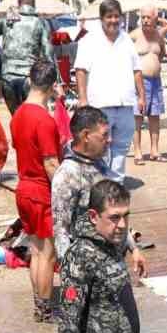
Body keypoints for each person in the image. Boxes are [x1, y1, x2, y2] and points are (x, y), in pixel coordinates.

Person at [56, 179, 149, 333]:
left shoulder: (112, 243)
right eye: (115, 218)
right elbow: (67, 328)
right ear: (93, 217)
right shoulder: (79, 256)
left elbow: (121, 307)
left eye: (126, 215)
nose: (123, 225)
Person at [51, 105, 148, 278]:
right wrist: (71, 276)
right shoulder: (67, 175)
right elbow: (61, 230)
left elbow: (117, 216)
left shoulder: (100, 164)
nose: (110, 140)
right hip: (86, 270)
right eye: (104, 135)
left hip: (113, 266)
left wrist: (134, 249)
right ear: (86, 136)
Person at [12, 61, 62, 323]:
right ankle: (44, 310)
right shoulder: (44, 120)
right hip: (41, 192)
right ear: (53, 86)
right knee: (47, 254)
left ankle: (39, 304)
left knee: (35, 250)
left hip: (23, 190)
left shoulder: (18, 114)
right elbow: (51, 163)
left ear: (30, 80)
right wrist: (67, 192)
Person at [73, 0, 145, 181]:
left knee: (121, 148)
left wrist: (141, 96)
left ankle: (116, 185)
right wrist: (82, 100)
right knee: (99, 148)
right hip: (100, 104)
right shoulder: (89, 40)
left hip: (125, 104)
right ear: (101, 18)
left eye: (116, 16)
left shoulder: (127, 39)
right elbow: (80, 70)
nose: (113, 20)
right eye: (109, 17)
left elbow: (137, 70)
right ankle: (99, 185)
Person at [0, 0, 53, 113]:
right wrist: (53, 81)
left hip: (7, 77)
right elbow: (48, 52)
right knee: (33, 119)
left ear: (18, 5)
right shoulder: (40, 23)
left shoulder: (5, 21)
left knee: (16, 121)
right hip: (29, 78)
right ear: (34, 5)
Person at [131, 9, 167, 164]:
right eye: (143, 17)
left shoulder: (159, 36)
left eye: (148, 17)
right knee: (138, 117)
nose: (145, 20)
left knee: (155, 116)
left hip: (156, 81)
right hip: (139, 81)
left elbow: (162, 53)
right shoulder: (133, 35)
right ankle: (137, 152)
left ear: (155, 19)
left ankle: (154, 150)